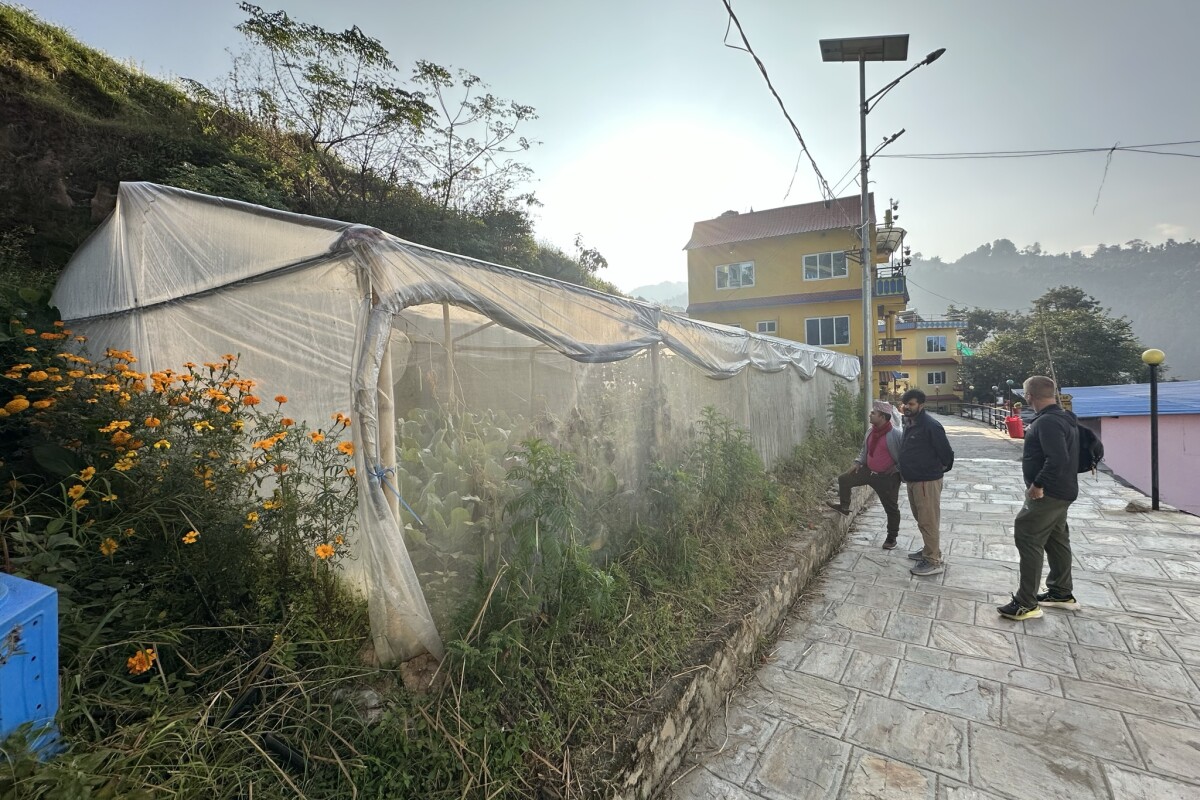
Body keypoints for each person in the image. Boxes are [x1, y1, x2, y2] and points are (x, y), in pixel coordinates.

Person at [997, 375, 1080, 621]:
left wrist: (1039, 484)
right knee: (1056, 539)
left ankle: (1026, 602)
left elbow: (1057, 458)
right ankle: (1061, 592)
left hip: (1049, 492)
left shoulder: (1048, 423)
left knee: (1028, 536)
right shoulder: (1064, 417)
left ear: (1029, 396)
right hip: (1064, 490)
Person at [826, 399, 904, 549]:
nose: (870, 415)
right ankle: (844, 506)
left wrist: (897, 469)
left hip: (887, 478)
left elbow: (905, 455)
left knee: (891, 509)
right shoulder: (870, 431)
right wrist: (857, 463)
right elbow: (864, 450)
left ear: (882, 417)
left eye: (873, 413)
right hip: (868, 472)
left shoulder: (895, 435)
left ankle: (891, 538)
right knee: (844, 479)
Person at [898, 389, 955, 576]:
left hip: (926, 481)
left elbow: (946, 453)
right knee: (921, 518)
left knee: (928, 520)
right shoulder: (910, 422)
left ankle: (932, 561)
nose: (907, 407)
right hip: (913, 479)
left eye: (911, 404)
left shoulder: (931, 425)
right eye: (905, 403)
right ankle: (929, 550)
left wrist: (934, 471)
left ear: (921, 405)